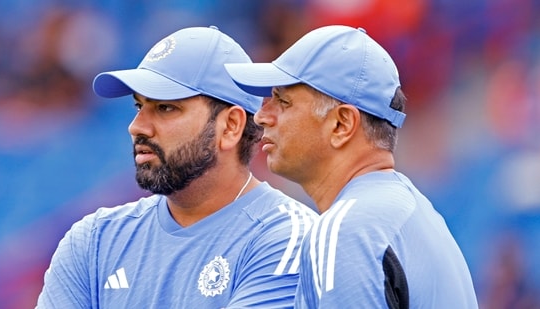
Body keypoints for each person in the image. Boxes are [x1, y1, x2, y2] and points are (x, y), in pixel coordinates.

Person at [36, 26, 318, 308]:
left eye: (165, 108)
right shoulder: (95, 240)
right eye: (139, 107)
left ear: (230, 126)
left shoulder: (289, 238)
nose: (137, 127)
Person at [224, 25, 478, 308]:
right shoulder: (412, 211)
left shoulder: (348, 229)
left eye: (283, 101)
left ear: (341, 124)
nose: (261, 116)